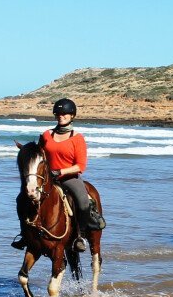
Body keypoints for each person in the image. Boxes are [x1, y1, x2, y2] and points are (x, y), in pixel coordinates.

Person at [12, 98, 106, 253]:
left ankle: (79, 236)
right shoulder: (46, 135)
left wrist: (60, 171)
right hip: (47, 178)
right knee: (21, 199)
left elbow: (80, 166)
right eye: (58, 114)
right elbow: (38, 155)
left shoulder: (77, 138)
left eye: (65, 114)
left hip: (69, 178)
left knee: (83, 202)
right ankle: (25, 235)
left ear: (72, 116)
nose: (61, 116)